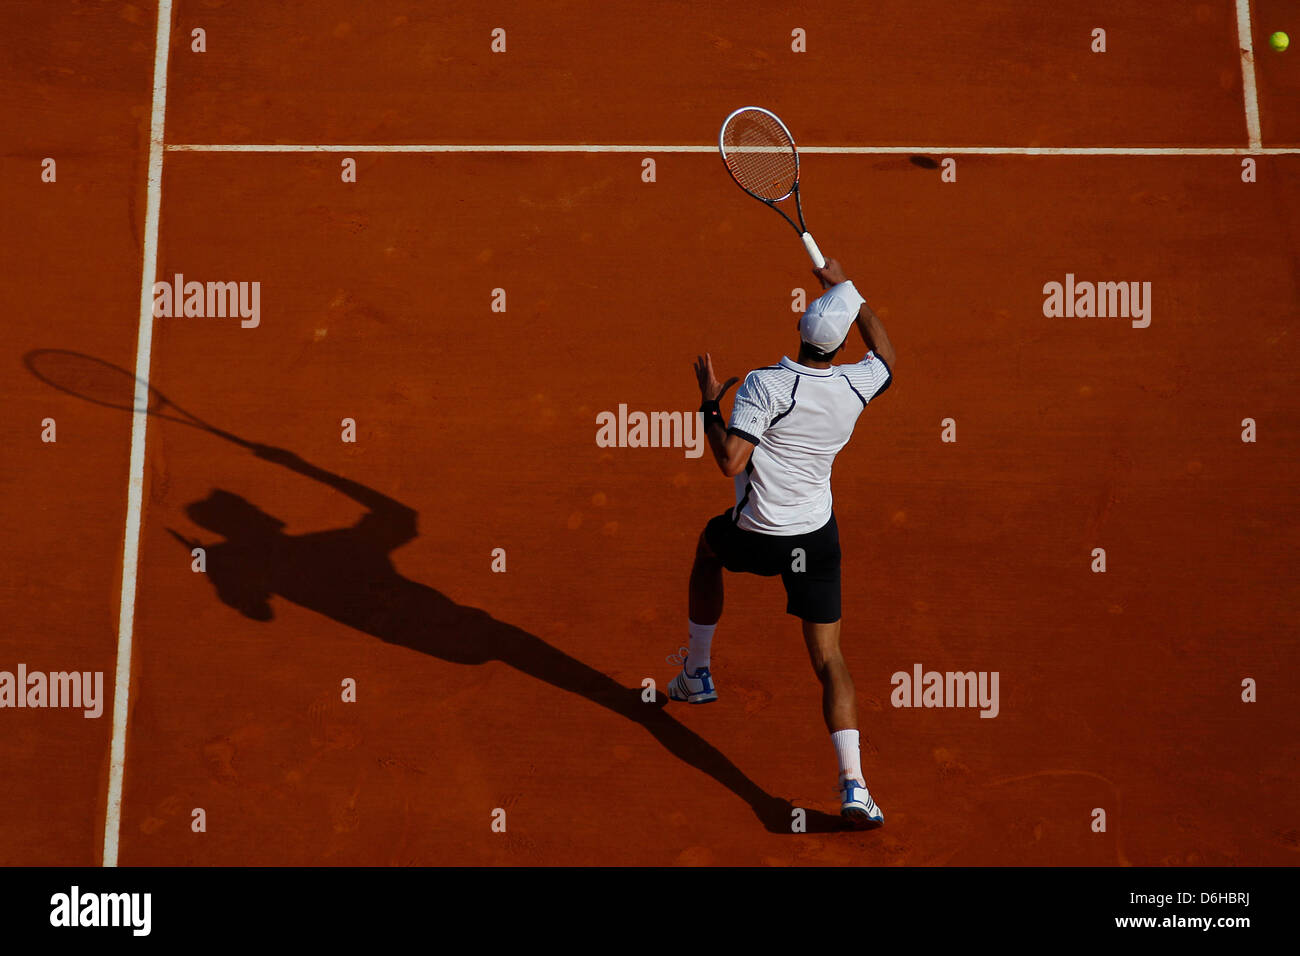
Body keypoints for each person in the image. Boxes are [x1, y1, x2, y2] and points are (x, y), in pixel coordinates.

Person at [667, 257, 896, 827]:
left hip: (760, 537)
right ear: (842, 346)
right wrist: (848, 290)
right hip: (816, 540)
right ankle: (855, 787)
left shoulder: (766, 386)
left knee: (707, 549)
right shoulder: (854, 385)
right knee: (830, 658)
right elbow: (888, 356)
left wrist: (708, 404)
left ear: (799, 331)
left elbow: (729, 461)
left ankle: (696, 673)